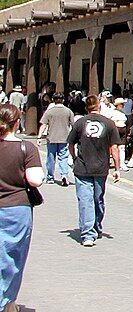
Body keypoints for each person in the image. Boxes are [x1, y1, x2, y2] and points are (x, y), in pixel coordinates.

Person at [0, 103, 44, 312]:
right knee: (12, 258)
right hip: (16, 209)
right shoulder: (26, 148)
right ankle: (6, 302)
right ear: (17, 123)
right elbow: (35, 180)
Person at [67, 95, 122, 247]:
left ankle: (90, 231)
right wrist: (117, 168)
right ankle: (91, 229)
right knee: (97, 199)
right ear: (99, 106)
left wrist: (74, 157)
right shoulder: (109, 124)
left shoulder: (80, 123)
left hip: (82, 167)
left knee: (86, 201)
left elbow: (70, 143)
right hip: (101, 167)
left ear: (86, 107)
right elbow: (114, 148)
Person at [37, 92, 74, 186]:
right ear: (63, 100)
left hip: (51, 138)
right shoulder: (68, 111)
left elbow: (43, 124)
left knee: (51, 158)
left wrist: (39, 137)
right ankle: (64, 175)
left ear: (53, 100)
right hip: (64, 138)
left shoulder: (49, 111)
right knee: (63, 158)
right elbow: (74, 125)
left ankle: (50, 177)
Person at [107, 98, 129, 171]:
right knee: (114, 147)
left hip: (123, 129)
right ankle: (115, 162)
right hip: (116, 129)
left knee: (122, 147)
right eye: (121, 104)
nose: (123, 105)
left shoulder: (123, 113)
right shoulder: (112, 112)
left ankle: (122, 163)